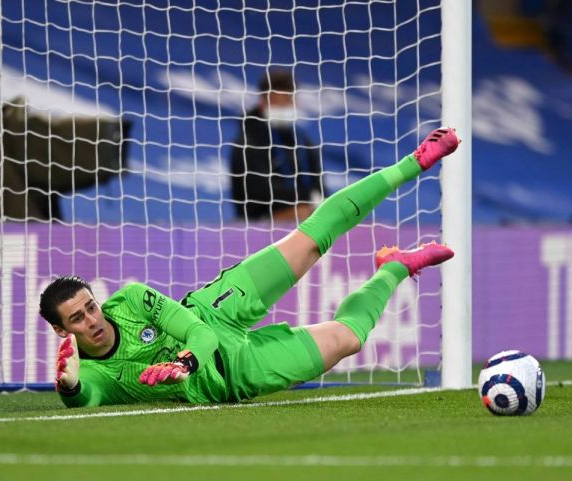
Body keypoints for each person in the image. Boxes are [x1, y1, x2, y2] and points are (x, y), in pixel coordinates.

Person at [39, 127, 460, 406]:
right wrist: (71, 387)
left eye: (90, 306)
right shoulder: (95, 372)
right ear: (62, 331)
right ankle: (394, 268)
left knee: (310, 241)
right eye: (77, 318)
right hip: (236, 373)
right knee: (349, 339)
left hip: (215, 309)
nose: (92, 318)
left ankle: (415, 161)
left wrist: (185, 362)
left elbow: (197, 332)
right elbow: (87, 396)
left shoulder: (130, 300)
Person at [230, 70, 324, 223]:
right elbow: (258, 193)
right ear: (263, 102)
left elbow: (319, 186)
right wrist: (306, 198)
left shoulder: (303, 141)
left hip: (305, 216)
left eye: (289, 100)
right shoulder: (248, 141)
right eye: (278, 101)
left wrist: (313, 202)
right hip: (258, 223)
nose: (285, 105)